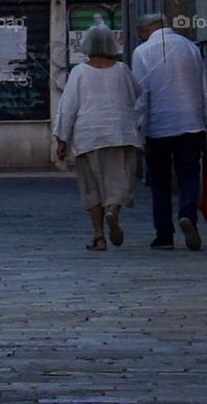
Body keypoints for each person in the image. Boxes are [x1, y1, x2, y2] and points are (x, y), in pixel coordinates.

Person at [131, 12, 207, 251]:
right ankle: (188, 216)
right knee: (189, 175)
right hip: (192, 124)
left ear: (144, 31)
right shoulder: (190, 48)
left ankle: (164, 235)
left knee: (159, 182)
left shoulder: (142, 52)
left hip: (158, 127)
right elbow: (205, 90)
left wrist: (139, 135)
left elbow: (141, 98)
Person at [54, 25, 143, 252]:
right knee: (119, 180)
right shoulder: (122, 69)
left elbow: (68, 108)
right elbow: (137, 95)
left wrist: (61, 140)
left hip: (89, 136)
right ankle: (113, 211)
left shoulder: (79, 72)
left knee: (91, 187)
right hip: (121, 133)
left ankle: (99, 236)